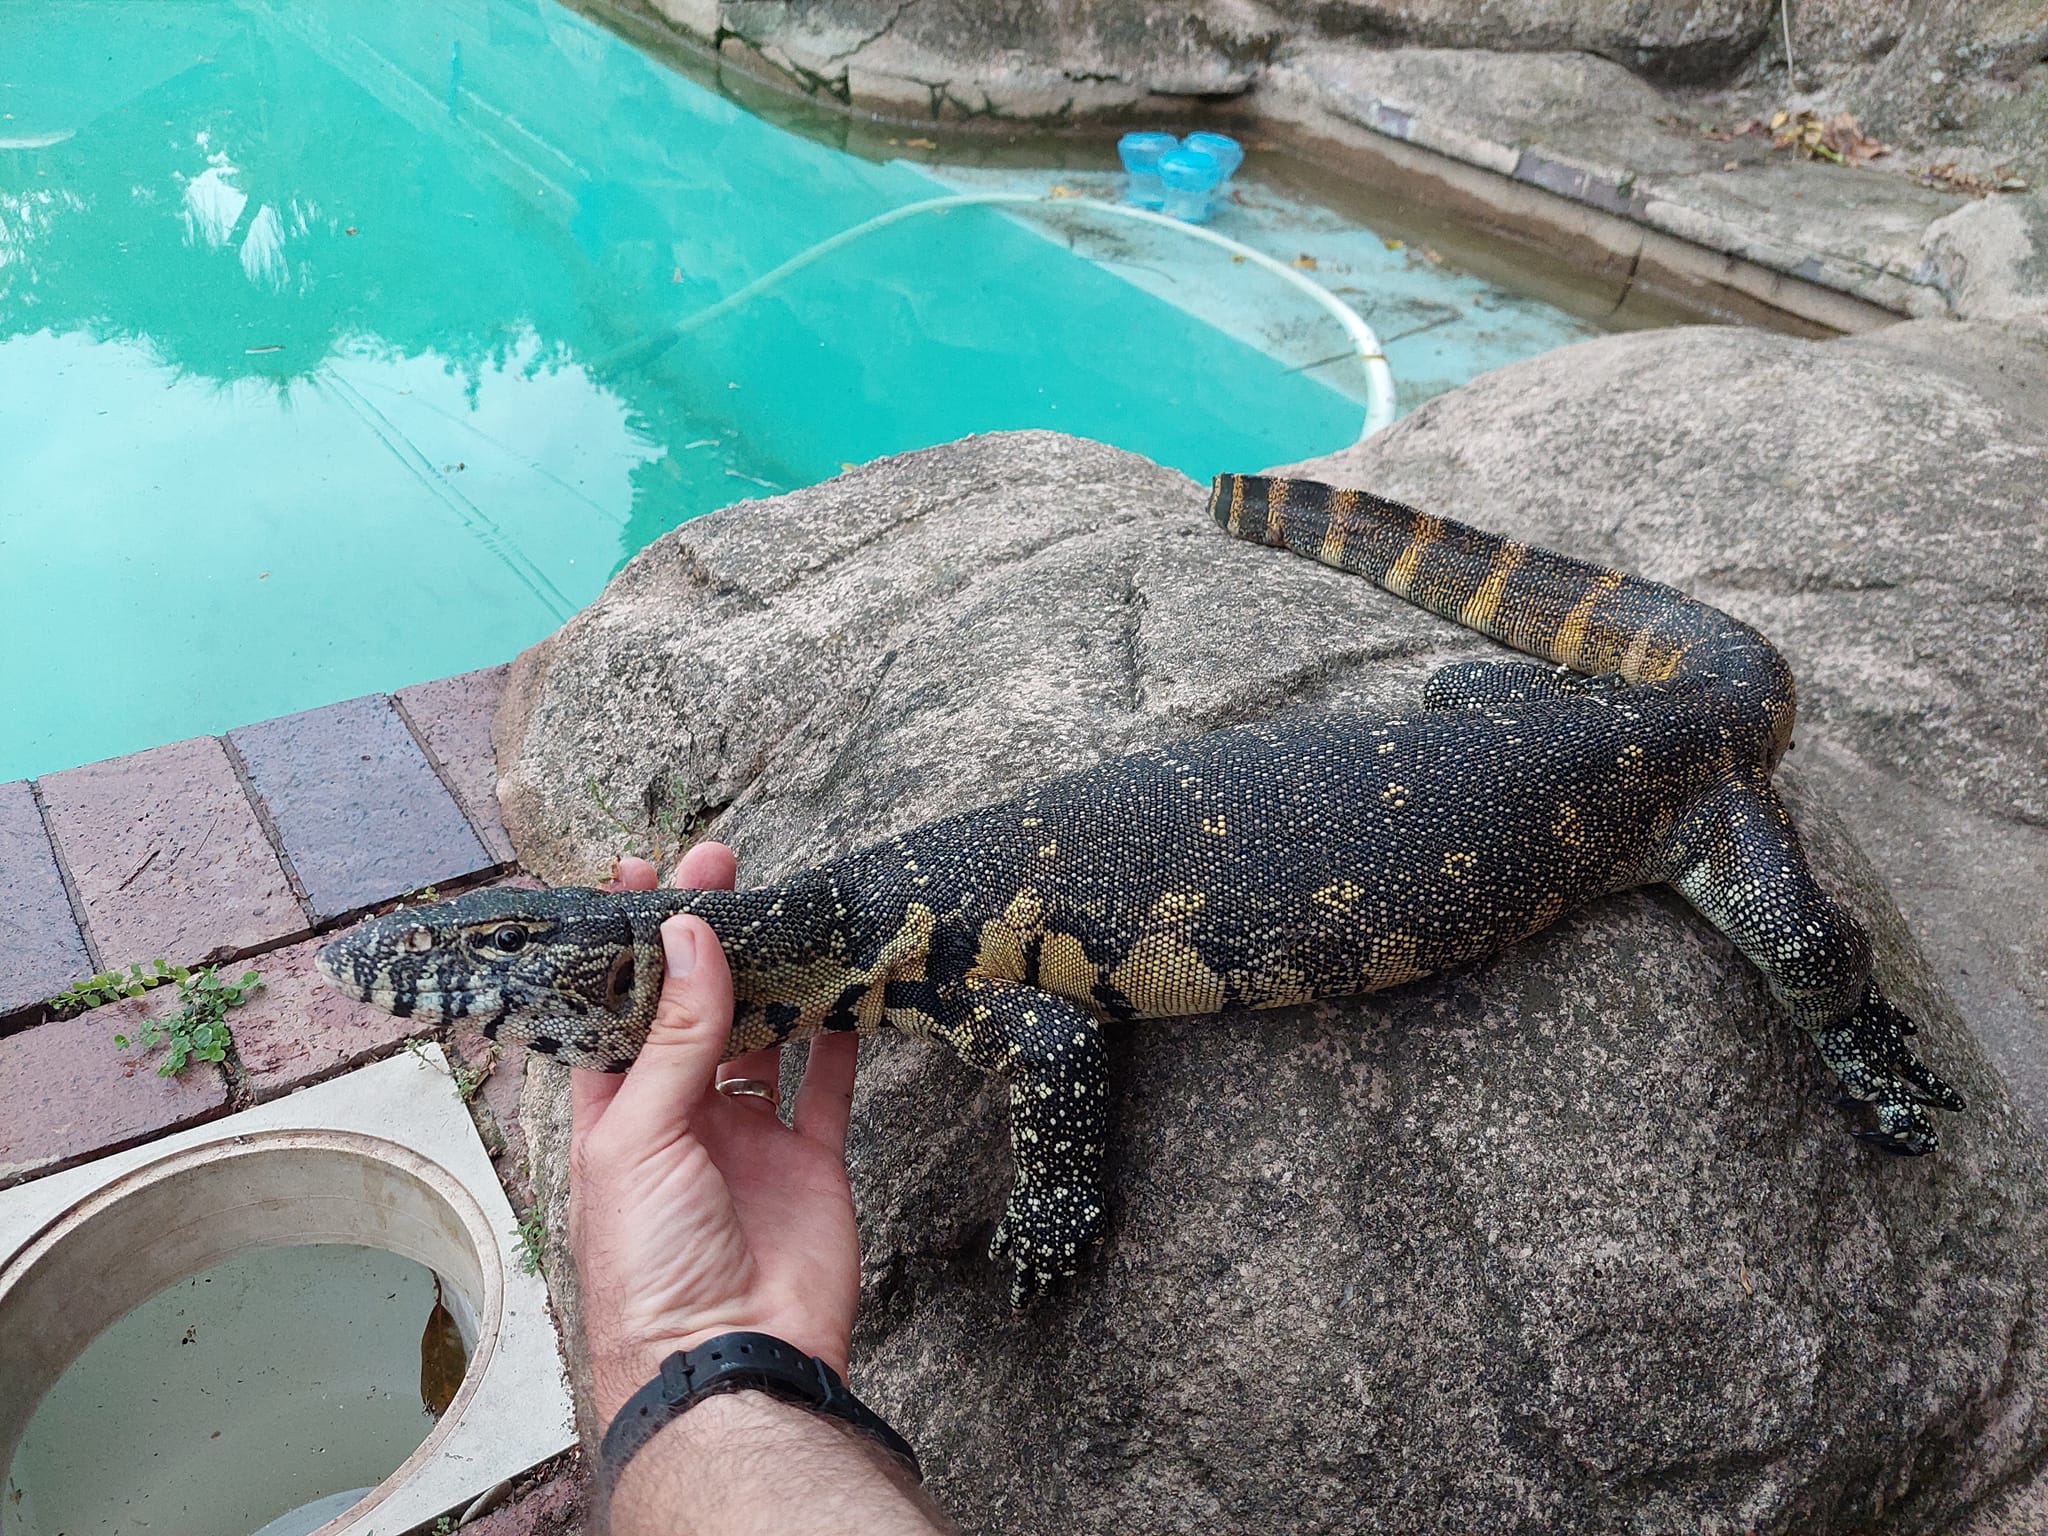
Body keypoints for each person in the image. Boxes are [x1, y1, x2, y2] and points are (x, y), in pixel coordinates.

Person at [569, 842, 957, 1535]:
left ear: (631, 967)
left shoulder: (932, 945)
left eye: (504, 944)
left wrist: (661, 1358)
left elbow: (1058, 1044)